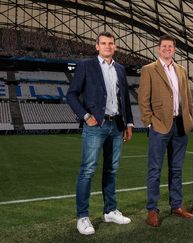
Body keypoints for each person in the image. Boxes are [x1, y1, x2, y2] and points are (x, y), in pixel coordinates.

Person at [66, 32, 134, 235]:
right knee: (88, 169)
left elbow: (125, 99)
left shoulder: (120, 69)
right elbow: (71, 95)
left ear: (115, 47)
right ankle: (82, 216)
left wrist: (128, 123)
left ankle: (110, 210)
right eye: (103, 43)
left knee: (111, 170)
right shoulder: (86, 65)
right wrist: (86, 116)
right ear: (97, 46)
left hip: (116, 125)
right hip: (95, 125)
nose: (107, 46)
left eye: (110, 43)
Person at [138, 34, 193, 227]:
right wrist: (149, 122)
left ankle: (176, 205)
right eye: (164, 46)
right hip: (159, 126)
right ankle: (152, 210)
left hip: (180, 125)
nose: (167, 49)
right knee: (155, 170)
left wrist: (190, 119)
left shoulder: (181, 70)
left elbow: (187, 97)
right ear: (158, 48)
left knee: (177, 169)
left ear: (174, 49)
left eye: (170, 46)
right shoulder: (149, 70)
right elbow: (143, 99)